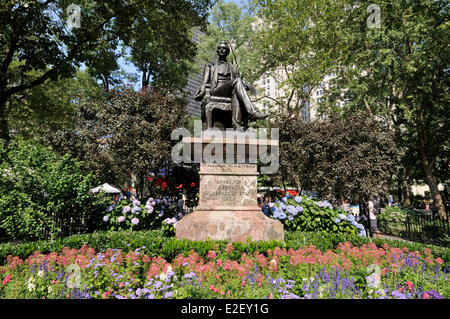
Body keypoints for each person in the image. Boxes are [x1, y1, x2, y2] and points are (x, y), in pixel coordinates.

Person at [194, 41, 268, 130]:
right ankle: (252, 113)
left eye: (224, 48)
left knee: (237, 92)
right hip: (216, 91)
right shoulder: (210, 66)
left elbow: (238, 84)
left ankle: (236, 124)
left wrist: (247, 86)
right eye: (219, 48)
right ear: (217, 51)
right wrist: (201, 91)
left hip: (229, 92)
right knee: (237, 81)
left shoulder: (233, 68)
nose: (221, 50)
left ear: (228, 51)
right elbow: (205, 82)